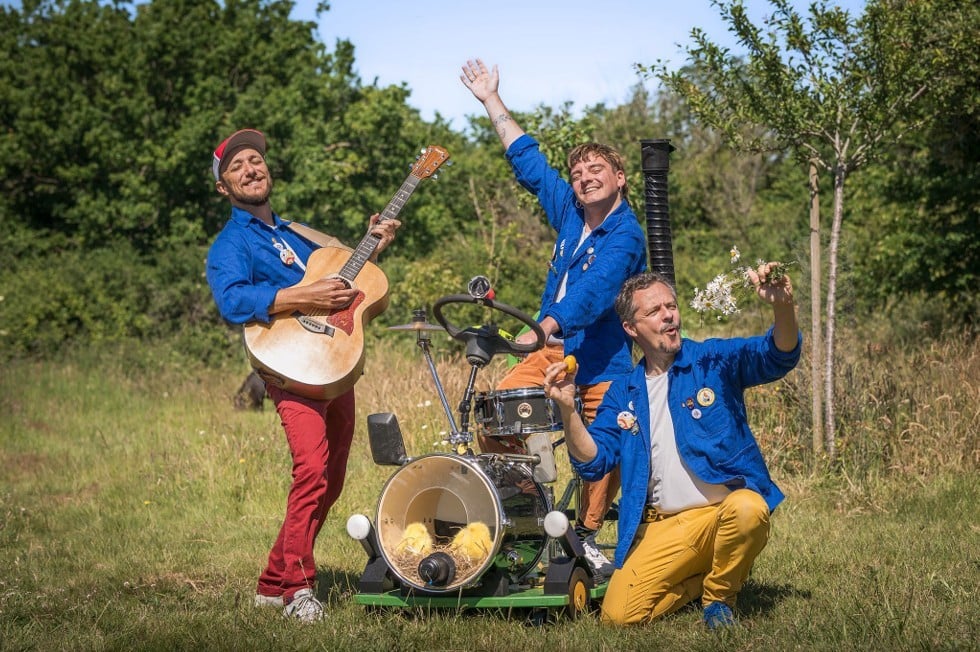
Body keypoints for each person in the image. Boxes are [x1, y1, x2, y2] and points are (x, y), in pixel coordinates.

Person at [460, 58, 648, 578]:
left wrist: (543, 326)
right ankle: (528, 516)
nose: (584, 179)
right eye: (579, 173)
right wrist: (491, 99)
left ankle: (584, 536)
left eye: (596, 171)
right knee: (498, 410)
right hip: (550, 346)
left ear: (620, 178)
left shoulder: (627, 235)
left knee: (602, 449)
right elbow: (528, 161)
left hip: (601, 355)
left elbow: (593, 294)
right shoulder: (569, 209)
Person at [205, 129, 400, 622]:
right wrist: (301, 299)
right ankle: (298, 589)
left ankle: (272, 581)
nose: (251, 168)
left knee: (331, 479)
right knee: (311, 471)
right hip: (289, 367)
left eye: (256, 160)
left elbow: (344, 277)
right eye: (237, 167)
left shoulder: (299, 234)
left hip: (335, 364)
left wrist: (370, 245)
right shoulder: (231, 243)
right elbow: (231, 301)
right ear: (224, 188)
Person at [542, 267, 801, 627]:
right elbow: (593, 462)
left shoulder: (712, 361)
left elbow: (777, 355)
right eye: (654, 311)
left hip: (720, 514)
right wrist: (568, 408)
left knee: (748, 508)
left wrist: (784, 307)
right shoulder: (624, 392)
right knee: (618, 618)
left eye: (671, 306)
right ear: (631, 328)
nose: (668, 315)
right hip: (662, 526)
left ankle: (720, 597)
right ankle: (701, 580)